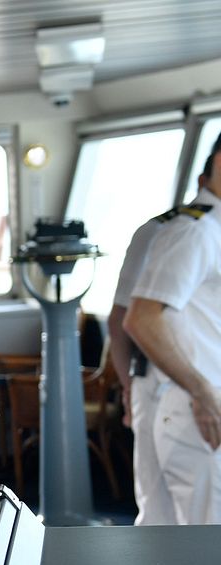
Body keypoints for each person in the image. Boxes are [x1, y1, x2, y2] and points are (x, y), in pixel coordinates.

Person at [124, 133, 221, 525]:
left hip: (203, 401)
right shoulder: (193, 231)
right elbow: (140, 319)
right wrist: (202, 391)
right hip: (197, 408)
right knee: (206, 551)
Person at [106, 208, 181, 526]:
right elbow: (122, 320)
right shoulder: (161, 231)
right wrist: (130, 388)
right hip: (161, 387)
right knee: (161, 510)